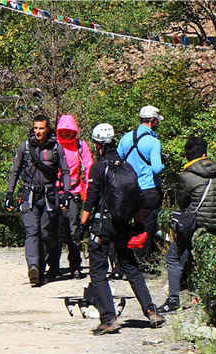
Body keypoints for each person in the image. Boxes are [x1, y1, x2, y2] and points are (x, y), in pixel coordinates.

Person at [77, 123, 165, 335]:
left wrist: (81, 225)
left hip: (102, 227)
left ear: (98, 146)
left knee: (98, 272)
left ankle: (108, 319)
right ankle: (151, 311)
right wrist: (139, 225)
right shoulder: (127, 166)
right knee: (131, 267)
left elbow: (91, 200)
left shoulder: (98, 168)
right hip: (123, 225)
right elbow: (138, 199)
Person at [157, 137, 216, 314]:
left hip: (196, 225)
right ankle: (199, 295)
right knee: (199, 259)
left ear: (187, 156)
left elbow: (182, 203)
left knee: (173, 257)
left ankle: (173, 300)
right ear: (205, 154)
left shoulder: (187, 176)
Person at [6, 115, 72, 286]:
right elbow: (15, 171)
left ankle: (40, 270)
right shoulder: (25, 147)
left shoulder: (56, 148)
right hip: (29, 195)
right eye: (35, 128)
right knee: (31, 231)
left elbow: (65, 171)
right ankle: (33, 268)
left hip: (49, 196)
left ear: (48, 128)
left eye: (41, 128)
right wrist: (9, 193)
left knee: (44, 233)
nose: (38, 131)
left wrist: (66, 193)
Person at [116, 106, 165, 270]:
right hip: (149, 189)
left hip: (129, 189)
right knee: (148, 225)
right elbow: (157, 168)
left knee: (130, 224)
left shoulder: (125, 138)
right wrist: (162, 163)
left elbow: (119, 160)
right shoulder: (153, 141)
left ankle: (124, 261)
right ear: (152, 120)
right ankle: (142, 263)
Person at [48, 114, 93, 279]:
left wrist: (88, 192)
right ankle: (53, 265)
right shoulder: (52, 145)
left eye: (70, 130)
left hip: (74, 192)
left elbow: (89, 168)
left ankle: (75, 264)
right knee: (53, 230)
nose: (67, 133)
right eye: (63, 130)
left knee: (73, 231)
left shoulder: (81, 146)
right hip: (55, 192)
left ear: (74, 130)